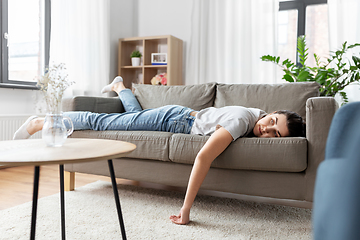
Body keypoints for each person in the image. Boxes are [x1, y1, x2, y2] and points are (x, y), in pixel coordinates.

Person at [13, 76, 306, 225]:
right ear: (271, 111)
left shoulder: (254, 114)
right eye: (272, 122)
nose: (267, 130)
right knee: (106, 122)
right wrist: (187, 209)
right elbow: (204, 155)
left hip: (177, 117)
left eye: (275, 134)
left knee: (130, 121)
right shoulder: (243, 118)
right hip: (175, 120)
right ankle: (41, 121)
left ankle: (120, 87)